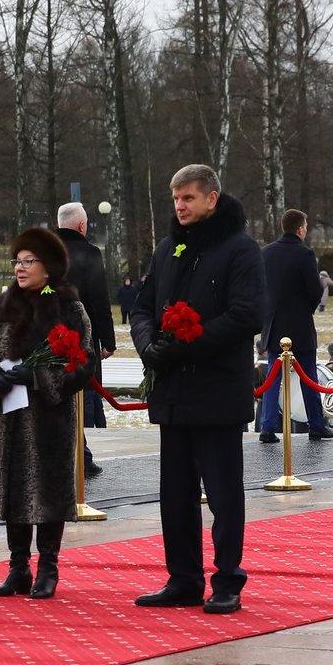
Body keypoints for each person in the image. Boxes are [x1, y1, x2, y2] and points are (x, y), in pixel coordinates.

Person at [130, 164, 265, 615]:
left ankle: (227, 580)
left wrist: (189, 344)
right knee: (175, 495)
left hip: (217, 392)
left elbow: (247, 315)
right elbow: (143, 308)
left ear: (212, 197)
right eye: (175, 199)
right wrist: (150, 346)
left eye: (188, 198)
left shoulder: (240, 250)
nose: (180, 207)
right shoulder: (168, 249)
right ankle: (183, 578)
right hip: (173, 394)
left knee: (224, 495)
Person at [0, 228, 97, 600]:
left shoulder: (68, 308)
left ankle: (48, 567)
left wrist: (42, 377)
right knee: (12, 490)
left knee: (47, 490)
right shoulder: (6, 305)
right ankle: (17, 567)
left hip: (47, 420)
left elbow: (85, 362)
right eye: (17, 261)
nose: (20, 268)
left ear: (49, 266)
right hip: (7, 418)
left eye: (29, 261)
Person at [256, 209, 333, 445]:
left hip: (273, 325)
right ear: (301, 229)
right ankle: (316, 425)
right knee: (308, 375)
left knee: (273, 377)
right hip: (299, 326)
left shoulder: (265, 253)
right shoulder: (305, 254)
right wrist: (306, 310)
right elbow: (315, 291)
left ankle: (268, 427)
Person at [54, 202, 118, 477]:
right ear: (82, 226)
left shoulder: (42, 252)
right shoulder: (89, 253)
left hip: (46, 337)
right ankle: (81, 456)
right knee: (82, 398)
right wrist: (108, 340)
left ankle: (61, 455)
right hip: (81, 337)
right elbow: (99, 300)